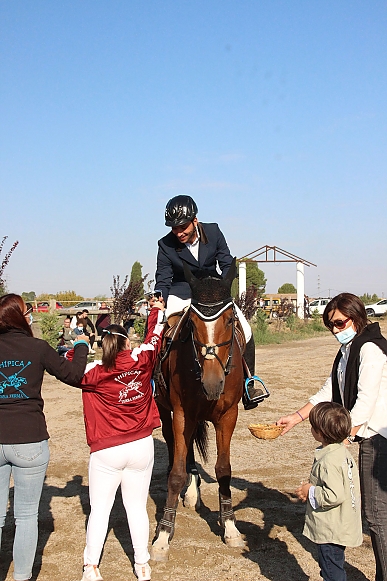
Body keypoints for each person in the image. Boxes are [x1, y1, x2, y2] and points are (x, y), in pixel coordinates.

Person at [277, 292, 387, 581]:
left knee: (377, 516)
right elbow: (329, 390)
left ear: (357, 316)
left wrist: (342, 438)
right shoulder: (348, 350)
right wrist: (296, 417)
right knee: (374, 514)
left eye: (339, 323)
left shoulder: (370, 349)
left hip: (379, 437)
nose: (336, 330)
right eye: (331, 326)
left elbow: (365, 403)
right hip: (366, 435)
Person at [73, 301, 165, 581]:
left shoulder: (94, 371)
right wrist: (155, 310)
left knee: (100, 509)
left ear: (103, 346)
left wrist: (79, 340)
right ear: (125, 344)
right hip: (141, 445)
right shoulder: (141, 359)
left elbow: (68, 367)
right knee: (136, 507)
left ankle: (91, 567)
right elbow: (155, 336)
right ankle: (142, 565)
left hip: (107, 449)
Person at [0, 293, 89, 581]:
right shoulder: (37, 348)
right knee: (25, 517)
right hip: (29, 438)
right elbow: (75, 375)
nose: (31, 316)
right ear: (18, 317)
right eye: (27, 312)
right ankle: (23, 577)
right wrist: (81, 345)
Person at [155, 194, 264, 410]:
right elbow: (164, 277)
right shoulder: (165, 244)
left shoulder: (213, 231)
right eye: (174, 228)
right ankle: (155, 385)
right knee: (160, 330)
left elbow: (225, 261)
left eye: (183, 227)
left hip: (212, 291)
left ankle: (249, 383)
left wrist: (223, 289)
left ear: (195, 220)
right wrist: (159, 298)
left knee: (247, 329)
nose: (178, 232)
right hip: (181, 292)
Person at [295, 402, 362, 581]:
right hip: (343, 523)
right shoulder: (342, 453)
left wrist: (310, 490)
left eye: (312, 426)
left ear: (321, 433)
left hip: (331, 529)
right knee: (333, 565)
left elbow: (333, 495)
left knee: (331, 570)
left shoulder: (328, 461)